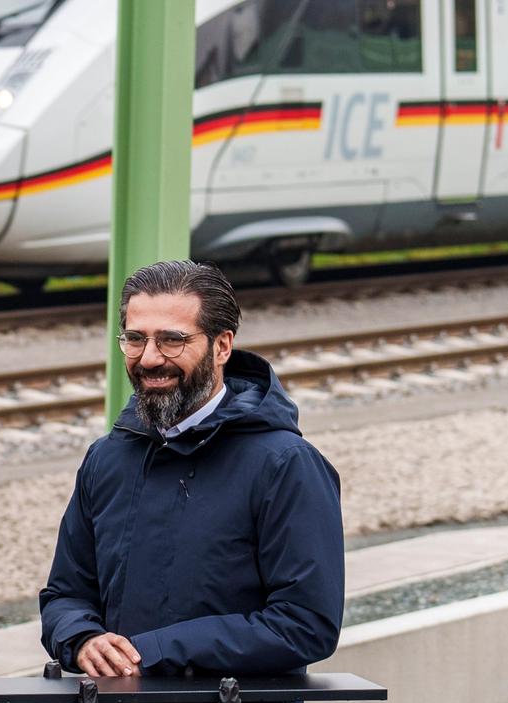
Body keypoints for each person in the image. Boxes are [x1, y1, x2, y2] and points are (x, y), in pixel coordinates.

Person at [39, 259, 343, 680]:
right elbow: (65, 594)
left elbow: (307, 625)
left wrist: (153, 651)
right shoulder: (105, 458)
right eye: (135, 338)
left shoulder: (286, 465)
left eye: (172, 340)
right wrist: (82, 638)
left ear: (222, 346)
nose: (149, 358)